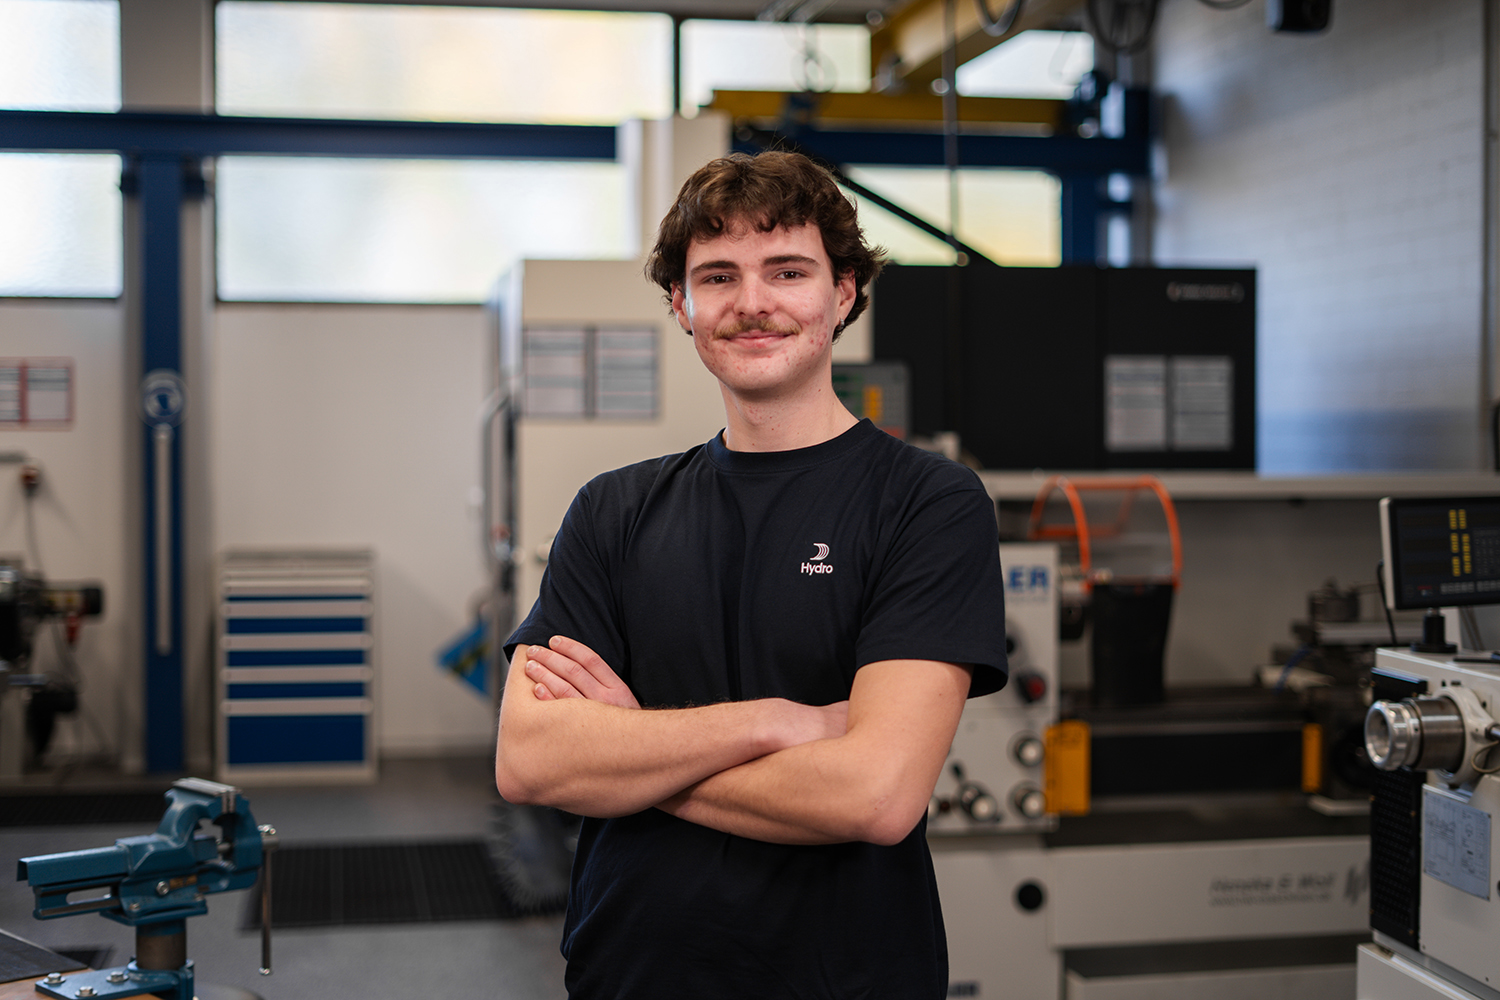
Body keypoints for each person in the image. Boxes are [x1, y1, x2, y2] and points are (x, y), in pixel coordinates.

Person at [495, 150, 1008, 1000]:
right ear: (682, 305)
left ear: (843, 293)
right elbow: (530, 763)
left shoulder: (928, 503)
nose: (753, 302)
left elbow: (876, 795)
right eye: (718, 276)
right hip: (630, 973)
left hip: (845, 977)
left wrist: (631, 758)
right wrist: (777, 722)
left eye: (788, 270)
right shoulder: (613, 511)